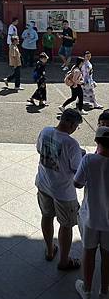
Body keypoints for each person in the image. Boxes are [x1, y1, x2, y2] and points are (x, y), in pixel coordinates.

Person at [35, 108, 83, 271]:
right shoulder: (71, 144)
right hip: (63, 192)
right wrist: (82, 156)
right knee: (66, 225)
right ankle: (64, 261)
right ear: (70, 124)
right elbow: (77, 171)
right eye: (76, 125)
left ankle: (49, 250)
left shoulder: (45, 131)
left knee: (46, 216)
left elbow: (40, 150)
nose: (75, 128)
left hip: (43, 183)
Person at [73, 126, 109, 299]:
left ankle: (86, 290)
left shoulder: (89, 160)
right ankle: (104, 291)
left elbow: (77, 183)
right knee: (107, 256)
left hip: (91, 218)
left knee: (89, 252)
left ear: (96, 141)